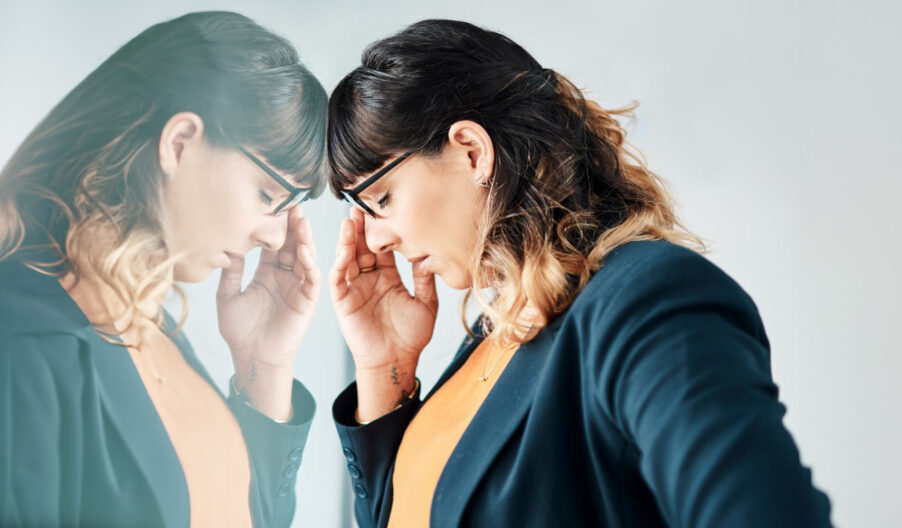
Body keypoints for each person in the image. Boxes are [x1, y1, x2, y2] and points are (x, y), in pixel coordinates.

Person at [326, 19, 833, 528]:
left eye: (381, 199)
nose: (375, 239)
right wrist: (382, 369)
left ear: (471, 151)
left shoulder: (645, 300)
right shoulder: (496, 332)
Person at [0, 11, 325, 527]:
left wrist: (263, 363)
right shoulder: (25, 339)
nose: (276, 236)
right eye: (268, 196)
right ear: (179, 143)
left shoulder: (155, 336)